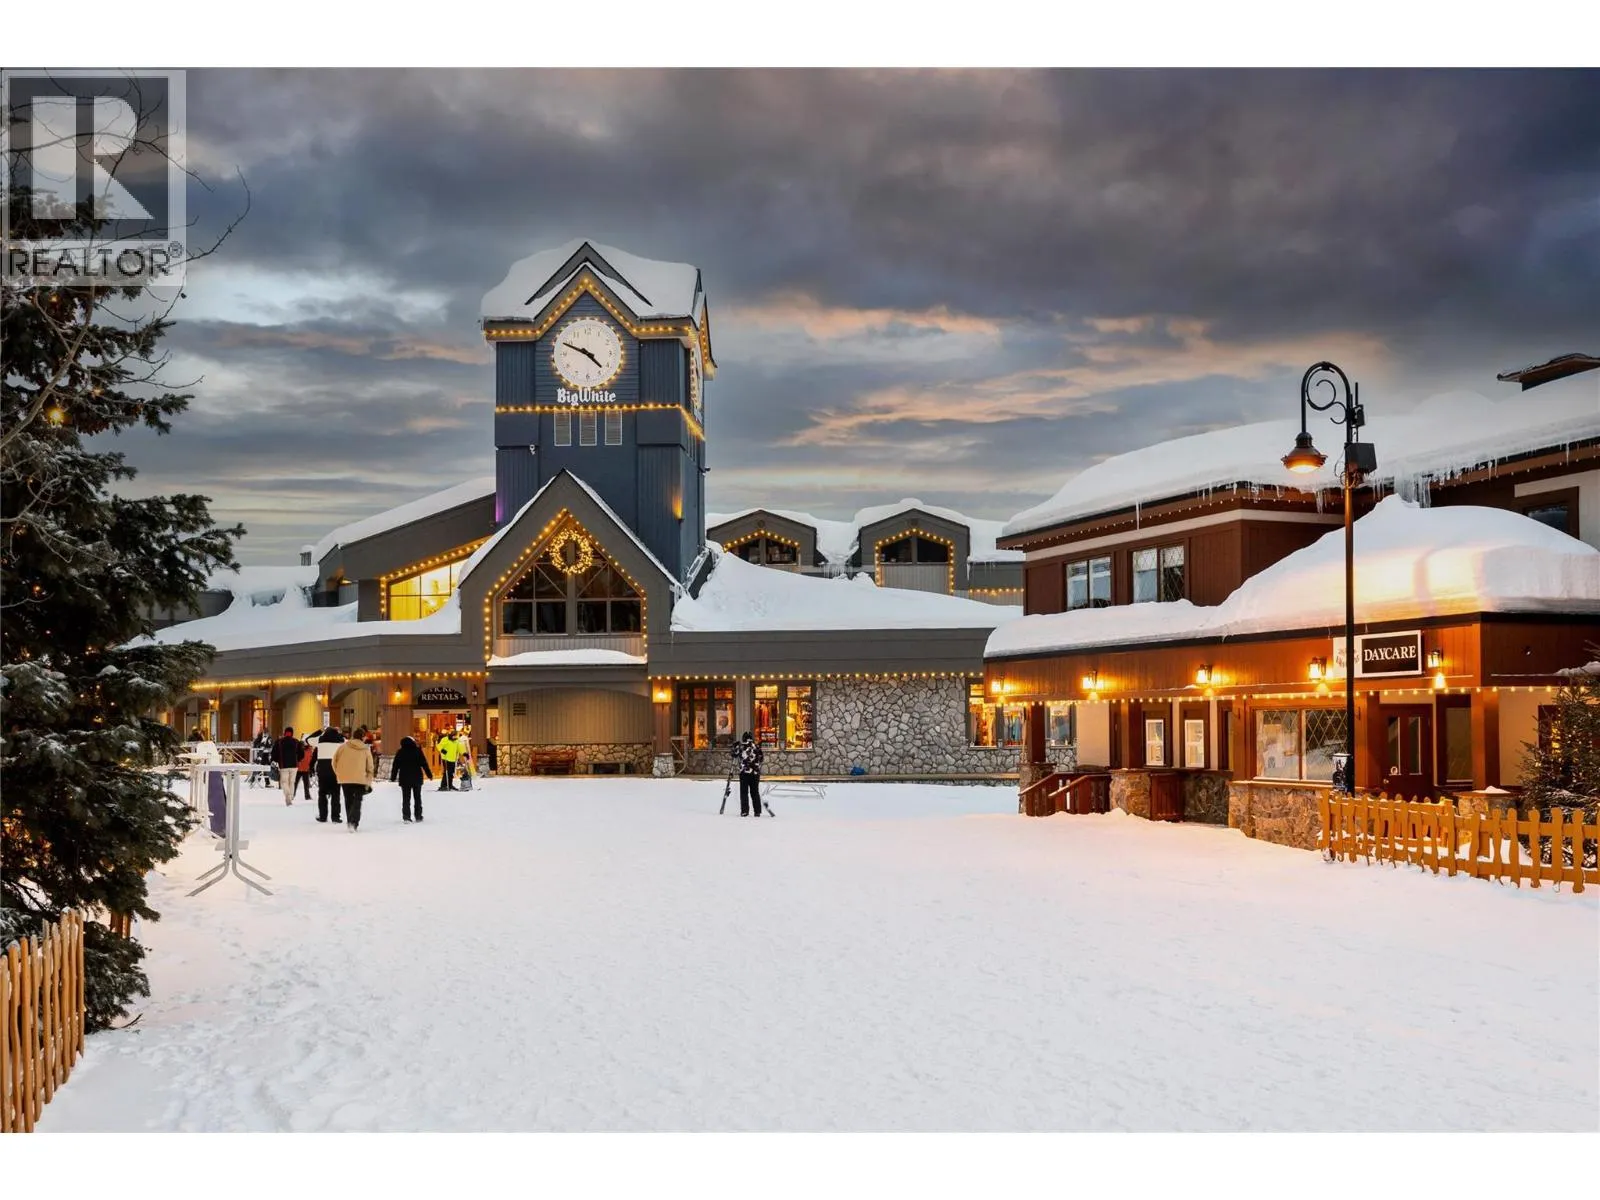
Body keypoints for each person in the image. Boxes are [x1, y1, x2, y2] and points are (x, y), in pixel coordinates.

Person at [333, 732, 375, 833]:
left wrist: (338, 773)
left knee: (348, 800)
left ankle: (349, 821)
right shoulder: (365, 749)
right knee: (357, 801)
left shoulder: (342, 747)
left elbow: (334, 761)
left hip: (345, 778)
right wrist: (368, 780)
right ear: (362, 737)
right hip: (360, 779)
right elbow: (370, 767)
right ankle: (354, 823)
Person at [389, 735, 432, 823]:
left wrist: (393, 777)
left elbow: (395, 766)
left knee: (406, 798)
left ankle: (406, 817)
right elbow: (424, 763)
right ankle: (418, 815)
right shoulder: (417, 751)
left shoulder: (400, 752)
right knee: (417, 797)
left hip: (404, 778)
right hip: (417, 777)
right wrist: (429, 774)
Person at [313, 724, 347, 823]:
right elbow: (347, 743)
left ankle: (323, 816)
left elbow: (307, 740)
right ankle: (335, 817)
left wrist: (320, 731)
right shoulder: (341, 741)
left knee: (322, 794)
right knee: (336, 794)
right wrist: (340, 734)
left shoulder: (320, 740)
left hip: (322, 771)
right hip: (335, 771)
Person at [734, 731, 763, 817]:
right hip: (755, 773)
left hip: (744, 773)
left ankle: (745, 811)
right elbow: (761, 758)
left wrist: (735, 746)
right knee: (755, 792)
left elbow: (734, 754)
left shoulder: (741, 747)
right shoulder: (756, 747)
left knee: (744, 793)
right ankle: (757, 811)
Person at [272, 726, 304, 806]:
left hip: (283, 765)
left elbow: (274, 753)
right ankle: (290, 797)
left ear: (284, 732)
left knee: (284, 782)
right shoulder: (296, 741)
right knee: (292, 782)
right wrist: (298, 760)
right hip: (294, 765)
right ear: (292, 733)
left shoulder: (279, 742)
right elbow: (302, 754)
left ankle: (288, 795)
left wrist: (276, 760)